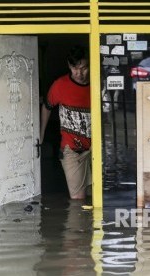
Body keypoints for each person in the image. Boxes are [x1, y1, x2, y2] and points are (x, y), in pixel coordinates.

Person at [40, 45, 91, 200]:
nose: (79, 73)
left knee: (96, 197)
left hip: (97, 149)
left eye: (83, 68)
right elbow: (47, 107)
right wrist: (41, 134)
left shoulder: (97, 83)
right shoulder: (60, 86)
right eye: (75, 68)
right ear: (69, 66)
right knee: (77, 200)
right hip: (72, 150)